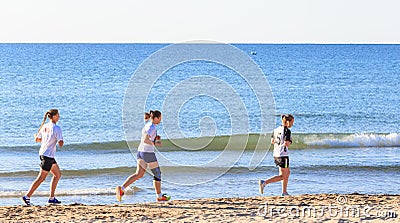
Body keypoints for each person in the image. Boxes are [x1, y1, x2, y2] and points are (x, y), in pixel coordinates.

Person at [116, 110, 170, 202]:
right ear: (156, 118)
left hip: (140, 152)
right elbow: (145, 139)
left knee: (139, 174)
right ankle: (159, 196)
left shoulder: (148, 125)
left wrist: (155, 138)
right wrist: (155, 142)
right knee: (157, 173)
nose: (161, 120)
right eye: (160, 118)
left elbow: (146, 137)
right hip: (147, 153)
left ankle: (122, 188)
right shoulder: (152, 127)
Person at [21, 109, 64, 205]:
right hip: (47, 156)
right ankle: (27, 196)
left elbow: (37, 139)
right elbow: (60, 143)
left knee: (57, 174)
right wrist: (59, 141)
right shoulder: (57, 128)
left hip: (45, 154)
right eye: (58, 115)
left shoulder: (44, 126)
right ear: (53, 116)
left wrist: (47, 141)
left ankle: (52, 198)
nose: (59, 117)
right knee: (41, 178)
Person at [259, 114, 294, 196]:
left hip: (276, 153)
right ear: (288, 122)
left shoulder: (276, 130)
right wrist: (290, 140)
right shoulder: (287, 131)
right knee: (283, 176)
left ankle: (284, 192)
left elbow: (272, 141)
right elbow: (287, 144)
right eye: (292, 122)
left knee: (287, 173)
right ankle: (264, 183)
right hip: (283, 155)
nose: (292, 124)